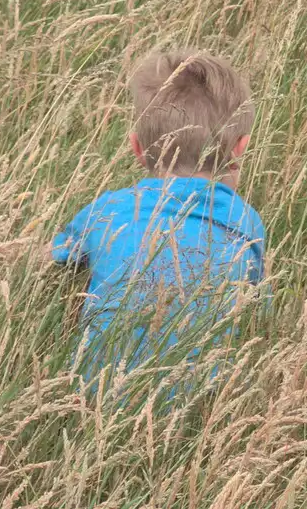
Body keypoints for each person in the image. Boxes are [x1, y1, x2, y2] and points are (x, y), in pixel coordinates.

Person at [51, 51, 266, 387]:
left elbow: (55, 260)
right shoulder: (246, 223)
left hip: (97, 396)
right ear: (241, 147)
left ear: (136, 148)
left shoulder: (106, 211)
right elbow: (254, 304)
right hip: (201, 407)